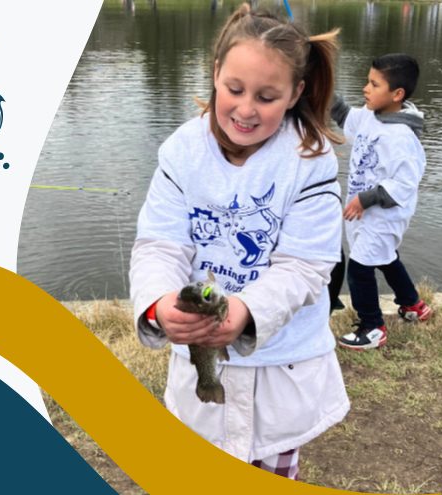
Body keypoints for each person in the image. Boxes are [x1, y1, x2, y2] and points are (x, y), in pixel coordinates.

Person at [129, 3, 349, 480]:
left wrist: (247, 312)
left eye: (267, 97)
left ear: (296, 92)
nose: (246, 109)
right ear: (215, 74)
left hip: (282, 374)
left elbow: (305, 266)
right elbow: (160, 245)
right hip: (198, 371)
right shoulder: (181, 151)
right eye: (234, 89)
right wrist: (158, 305)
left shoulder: (312, 161)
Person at [331, 53, 433, 351]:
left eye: (374, 84)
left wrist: (366, 199)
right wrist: (321, 86)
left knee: (359, 268)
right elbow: (344, 116)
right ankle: (413, 304)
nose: (366, 88)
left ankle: (372, 327)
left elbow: (405, 183)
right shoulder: (370, 115)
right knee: (386, 258)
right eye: (368, 81)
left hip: (383, 217)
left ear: (397, 94)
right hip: (366, 215)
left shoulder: (402, 137)